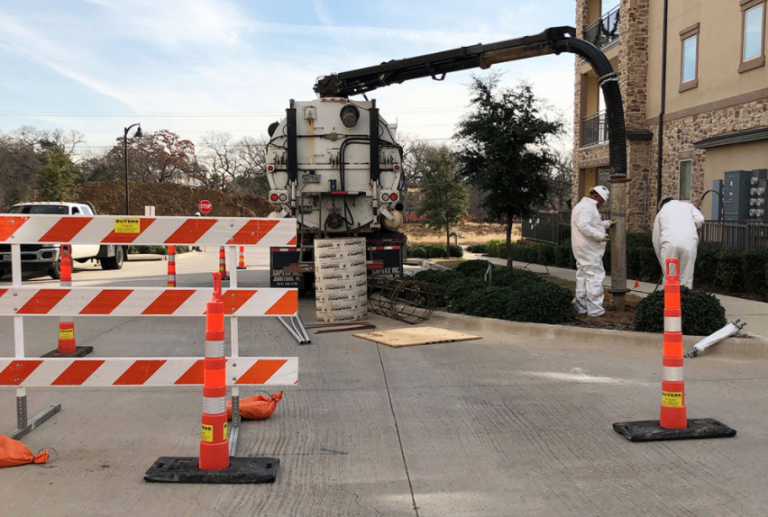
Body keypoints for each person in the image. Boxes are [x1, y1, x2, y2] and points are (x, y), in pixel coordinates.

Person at [571, 186, 614, 317]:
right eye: (601, 202)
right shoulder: (587, 207)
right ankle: (595, 310)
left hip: (582, 248)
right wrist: (600, 236)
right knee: (595, 277)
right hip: (589, 249)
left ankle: (582, 307)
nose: (601, 205)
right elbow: (584, 226)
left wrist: (606, 224)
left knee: (583, 277)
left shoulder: (583, 206)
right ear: (595, 197)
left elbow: (592, 223)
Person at [652, 197, 705, 289]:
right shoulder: (687, 206)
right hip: (689, 243)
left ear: (661, 206)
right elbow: (700, 219)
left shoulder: (661, 212)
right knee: (686, 278)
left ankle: (669, 302)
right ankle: (684, 300)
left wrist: (661, 259)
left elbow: (656, 239)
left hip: (669, 245)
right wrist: (691, 226)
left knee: (669, 279)